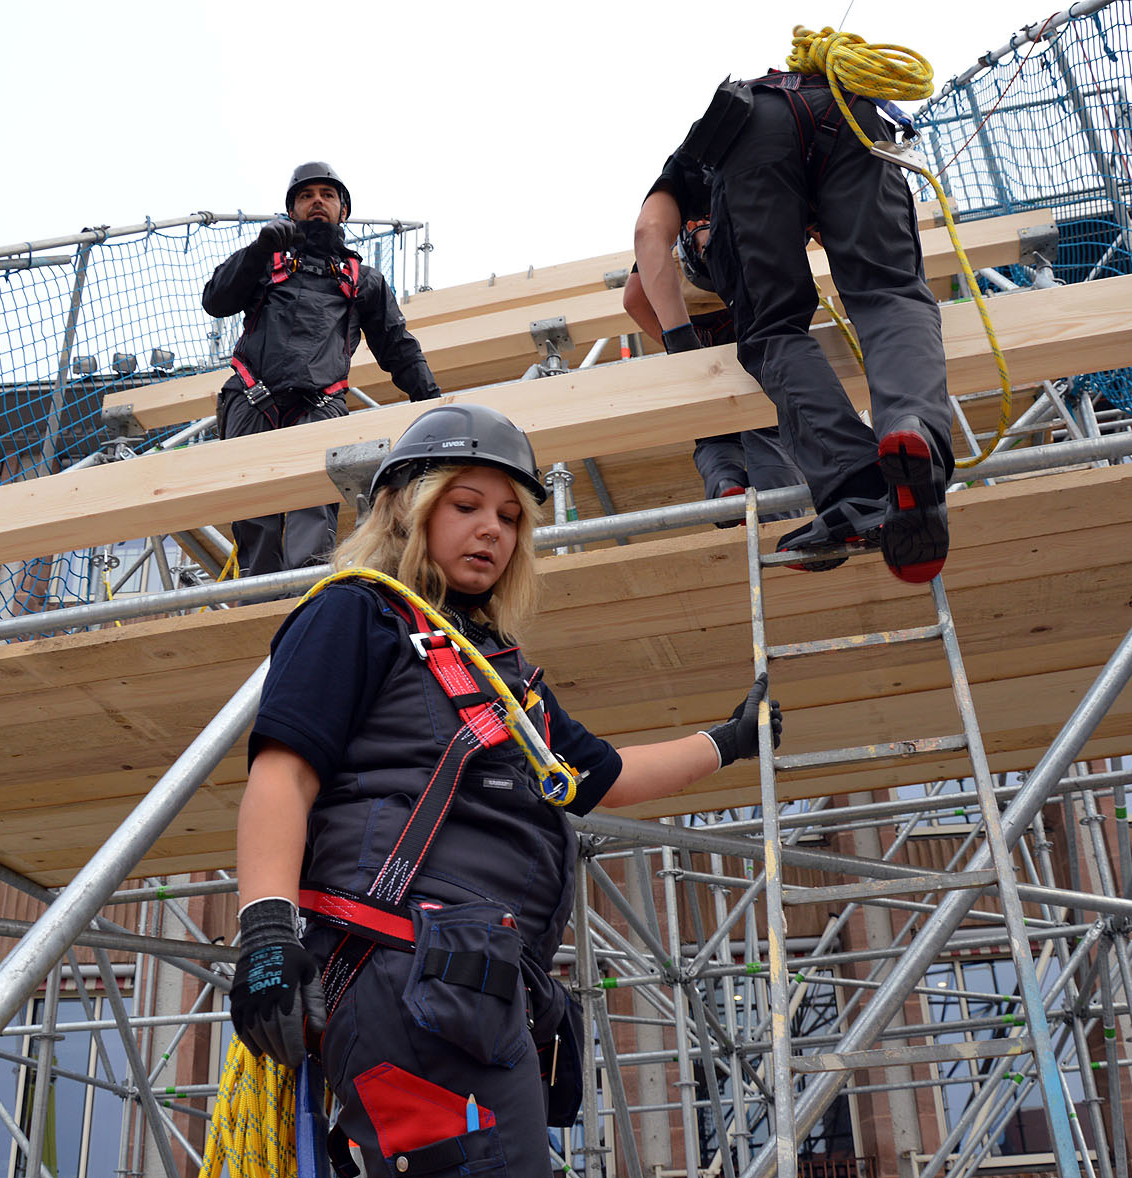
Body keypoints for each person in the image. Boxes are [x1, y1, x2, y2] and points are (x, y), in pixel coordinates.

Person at [227, 403, 781, 1174]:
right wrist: (265, 936)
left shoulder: (495, 674)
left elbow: (604, 778)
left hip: (469, 992)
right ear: (406, 508)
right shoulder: (355, 613)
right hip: (405, 976)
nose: (493, 529)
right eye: (466, 506)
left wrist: (726, 743)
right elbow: (283, 772)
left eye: (511, 517)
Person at [689, 40, 956, 583]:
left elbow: (649, 231)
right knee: (890, 293)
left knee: (771, 328)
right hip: (848, 109)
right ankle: (915, 430)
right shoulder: (814, 88)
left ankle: (856, 486)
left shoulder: (684, 180)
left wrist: (678, 340)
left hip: (754, 129)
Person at [202, 162, 441, 577]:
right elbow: (216, 301)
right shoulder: (264, 259)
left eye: (327, 195)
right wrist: (258, 250)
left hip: (319, 406)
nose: (317, 201)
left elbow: (397, 347)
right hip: (251, 398)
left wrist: (433, 405)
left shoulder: (363, 280)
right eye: (306, 195)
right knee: (255, 525)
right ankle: (259, 611)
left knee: (312, 526)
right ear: (292, 210)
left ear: (342, 211)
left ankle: (307, 610)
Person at [625, 150, 804, 527]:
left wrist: (680, 344)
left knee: (712, 438)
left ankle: (726, 489)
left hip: (705, 338)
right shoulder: (723, 217)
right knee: (767, 426)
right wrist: (681, 344)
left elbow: (634, 299)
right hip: (743, 337)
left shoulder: (674, 229)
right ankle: (781, 519)